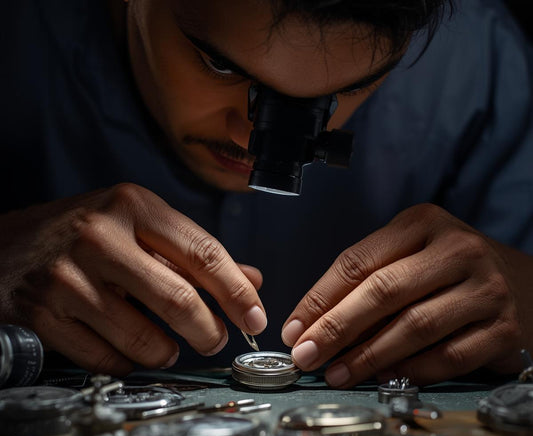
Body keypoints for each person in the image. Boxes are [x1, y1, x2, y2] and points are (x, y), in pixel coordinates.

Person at [1, 0, 532, 389]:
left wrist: (523, 297)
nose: (247, 140)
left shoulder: (476, 62)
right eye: (220, 65)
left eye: (346, 89)